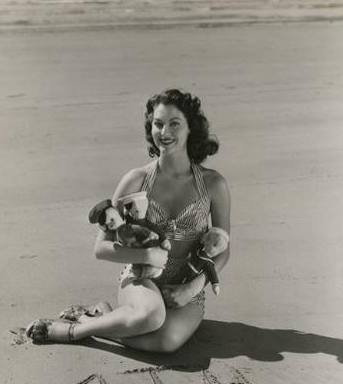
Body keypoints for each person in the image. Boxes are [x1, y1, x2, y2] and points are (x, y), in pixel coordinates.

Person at [26, 89, 231, 353]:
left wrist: (191, 289)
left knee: (165, 343)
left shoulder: (214, 184)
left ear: (191, 128)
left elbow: (223, 251)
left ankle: (102, 315)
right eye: (158, 124)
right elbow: (101, 248)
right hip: (139, 280)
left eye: (174, 123)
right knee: (151, 316)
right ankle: (74, 330)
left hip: (186, 289)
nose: (164, 132)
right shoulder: (135, 180)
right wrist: (147, 256)